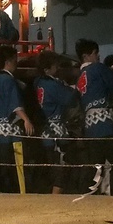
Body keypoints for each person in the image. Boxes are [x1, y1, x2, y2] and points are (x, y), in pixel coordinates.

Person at [76, 39, 113, 195]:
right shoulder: (98, 68)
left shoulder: (80, 76)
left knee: (94, 166)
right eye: (96, 53)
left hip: (89, 126)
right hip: (104, 122)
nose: (98, 56)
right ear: (87, 55)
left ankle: (87, 196)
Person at [0, 44, 34, 193]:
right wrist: (26, 119)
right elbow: (15, 104)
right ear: (9, 61)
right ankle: (21, 194)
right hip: (11, 131)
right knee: (18, 167)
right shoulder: (8, 80)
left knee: (5, 168)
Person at [33, 50, 77, 194]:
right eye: (55, 66)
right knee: (62, 167)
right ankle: (55, 199)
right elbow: (70, 100)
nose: (58, 68)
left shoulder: (37, 82)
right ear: (47, 69)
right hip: (56, 131)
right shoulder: (52, 85)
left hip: (45, 132)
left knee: (52, 168)